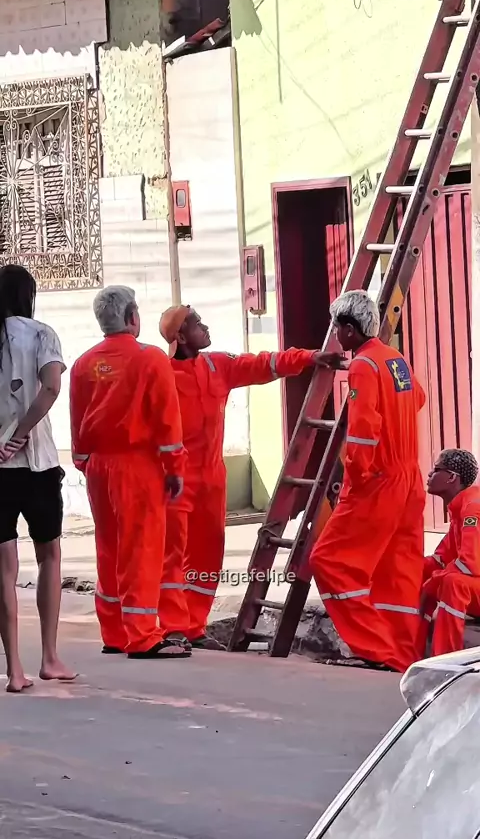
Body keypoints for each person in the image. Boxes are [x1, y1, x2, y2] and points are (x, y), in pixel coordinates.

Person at [157, 304, 344, 650]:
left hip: (212, 479)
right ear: (180, 337)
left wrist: (308, 357)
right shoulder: (161, 375)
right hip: (174, 480)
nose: (205, 327)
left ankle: (194, 626)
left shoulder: (217, 365)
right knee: (172, 556)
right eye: (197, 323)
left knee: (208, 555)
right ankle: (172, 626)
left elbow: (262, 364)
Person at [69, 285, 190, 659]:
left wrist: (85, 462)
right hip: (138, 466)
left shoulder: (84, 363)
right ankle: (142, 635)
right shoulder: (150, 359)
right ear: (132, 317)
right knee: (141, 549)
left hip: (98, 467)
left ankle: (114, 632)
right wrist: (175, 468)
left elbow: (77, 421)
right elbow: (167, 420)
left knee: (108, 548)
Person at [309, 289, 426, 674]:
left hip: (377, 480)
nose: (334, 334)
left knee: (329, 561)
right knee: (397, 573)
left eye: (336, 327)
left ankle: (376, 650)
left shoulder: (362, 366)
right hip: (409, 479)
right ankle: (403, 656)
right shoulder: (395, 359)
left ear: (349, 328)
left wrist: (356, 480)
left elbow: (362, 431)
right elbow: (418, 398)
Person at [0, 264, 75, 693]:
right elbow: (51, 388)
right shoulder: (43, 334)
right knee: (49, 556)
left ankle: (14, 670)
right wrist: (22, 432)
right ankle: (49, 657)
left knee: (4, 569)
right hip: (37, 464)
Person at [417, 449, 480, 658]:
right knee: (417, 571)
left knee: (453, 583)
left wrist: (434, 581)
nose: (429, 474)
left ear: (452, 477)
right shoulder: (459, 508)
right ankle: (410, 650)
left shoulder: (473, 508)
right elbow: (441, 559)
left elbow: (470, 564)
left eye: (436, 469)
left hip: (473, 580)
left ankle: (445, 659)